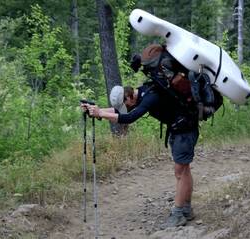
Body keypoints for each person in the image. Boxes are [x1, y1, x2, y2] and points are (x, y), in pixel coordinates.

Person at [80, 44, 199, 229]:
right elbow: (125, 111)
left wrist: (102, 115)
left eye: (125, 104)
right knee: (183, 170)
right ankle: (186, 209)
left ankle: (178, 214)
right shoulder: (141, 93)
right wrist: (96, 110)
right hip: (180, 128)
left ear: (128, 97)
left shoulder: (149, 96)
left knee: (181, 171)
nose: (126, 107)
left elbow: (129, 117)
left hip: (185, 129)